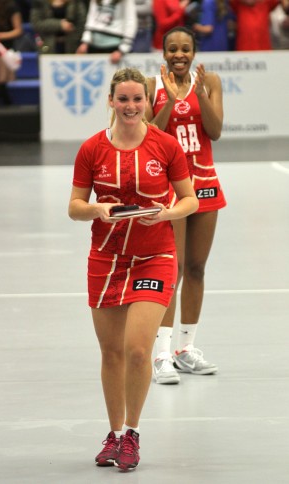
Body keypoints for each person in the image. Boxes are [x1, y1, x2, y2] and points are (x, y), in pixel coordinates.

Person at [68, 67, 199, 470]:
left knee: (138, 350)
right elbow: (74, 207)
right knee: (110, 353)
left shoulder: (165, 145)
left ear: (147, 101)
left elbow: (189, 200)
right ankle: (115, 433)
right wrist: (95, 209)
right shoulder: (92, 149)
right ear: (110, 101)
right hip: (106, 258)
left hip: (155, 255)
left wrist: (165, 216)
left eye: (137, 99)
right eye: (122, 99)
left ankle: (134, 434)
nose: (130, 106)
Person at [145, 26, 227, 384]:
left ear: (194, 53)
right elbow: (152, 133)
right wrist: (166, 93)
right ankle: (161, 355)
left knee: (196, 268)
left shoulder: (211, 82)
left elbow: (216, 130)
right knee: (172, 270)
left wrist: (199, 92)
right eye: (173, 49)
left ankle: (185, 349)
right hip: (169, 187)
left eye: (186, 49)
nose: (179, 55)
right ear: (164, 53)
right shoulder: (152, 85)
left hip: (205, 184)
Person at [76, 0, 137, 64]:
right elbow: (91, 18)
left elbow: (130, 21)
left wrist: (122, 49)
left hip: (114, 46)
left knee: (114, 73)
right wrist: (85, 42)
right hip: (93, 45)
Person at [0, 0, 23, 105]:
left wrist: (0, 36)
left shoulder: (11, 6)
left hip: (3, 51)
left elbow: (18, 30)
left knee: (0, 83)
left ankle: (8, 106)